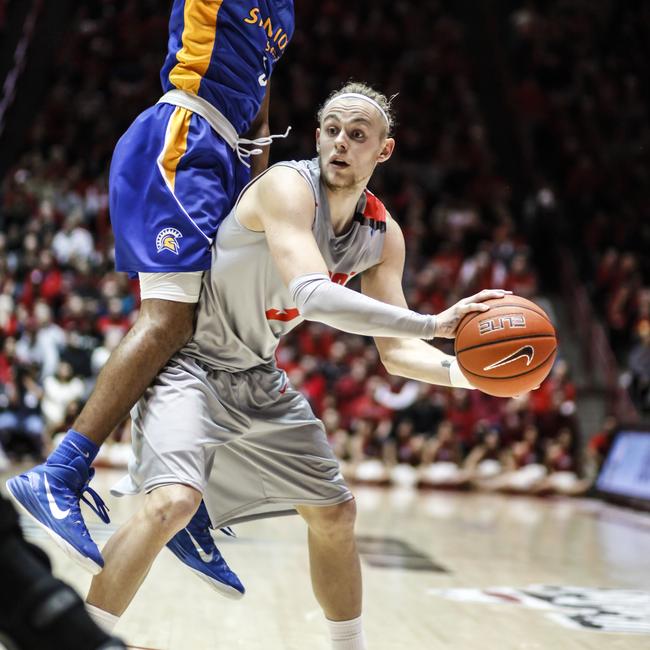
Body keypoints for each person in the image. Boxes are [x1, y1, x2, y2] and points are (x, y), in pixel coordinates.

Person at [83, 82, 510, 648]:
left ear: (384, 150)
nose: (341, 143)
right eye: (331, 130)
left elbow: (396, 351)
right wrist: (435, 325)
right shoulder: (288, 186)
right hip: (188, 364)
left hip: (257, 374)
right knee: (171, 505)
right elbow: (312, 295)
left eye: (358, 135)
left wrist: (469, 373)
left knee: (335, 515)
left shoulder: (383, 237)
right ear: (316, 136)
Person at [6, 0, 295, 597]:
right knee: (168, 320)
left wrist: (262, 190)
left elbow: (262, 101)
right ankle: (60, 474)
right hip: (183, 137)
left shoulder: (285, 11)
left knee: (226, 334)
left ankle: (183, 496)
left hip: (229, 161)